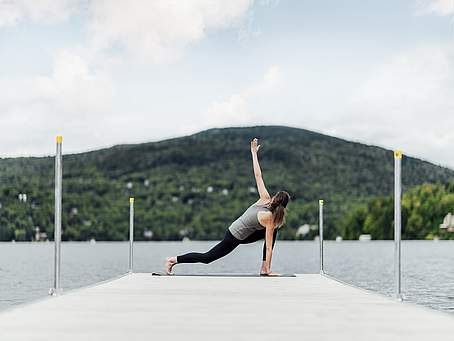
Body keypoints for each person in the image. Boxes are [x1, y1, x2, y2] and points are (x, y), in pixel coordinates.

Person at [165, 138, 290, 276]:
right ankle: (173, 260)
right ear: (283, 207)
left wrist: (253, 153)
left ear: (274, 198)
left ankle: (264, 269)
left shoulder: (265, 199)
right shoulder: (269, 217)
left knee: (274, 230)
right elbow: (268, 248)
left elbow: (258, 176)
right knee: (208, 257)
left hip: (246, 232)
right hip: (235, 235)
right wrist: (254, 153)